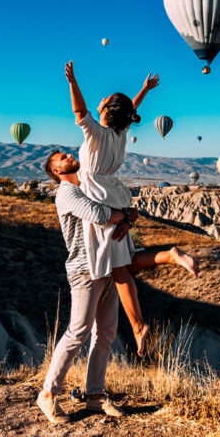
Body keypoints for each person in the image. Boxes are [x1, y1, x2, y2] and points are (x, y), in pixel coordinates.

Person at [64, 61, 199, 357]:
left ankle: (138, 327)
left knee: (117, 269)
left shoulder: (96, 133)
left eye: (103, 101)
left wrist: (73, 82)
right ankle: (169, 255)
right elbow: (129, 110)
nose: (98, 102)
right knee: (124, 263)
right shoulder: (121, 134)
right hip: (115, 195)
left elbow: (79, 111)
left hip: (98, 198)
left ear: (106, 111)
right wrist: (144, 91)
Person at [36, 149, 131, 424]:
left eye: (67, 153)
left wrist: (126, 216)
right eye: (61, 157)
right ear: (56, 171)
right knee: (78, 331)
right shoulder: (66, 192)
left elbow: (119, 207)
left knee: (106, 334)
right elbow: (98, 214)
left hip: (108, 266)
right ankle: (48, 394)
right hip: (84, 270)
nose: (68, 155)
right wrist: (124, 214)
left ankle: (94, 396)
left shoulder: (89, 187)